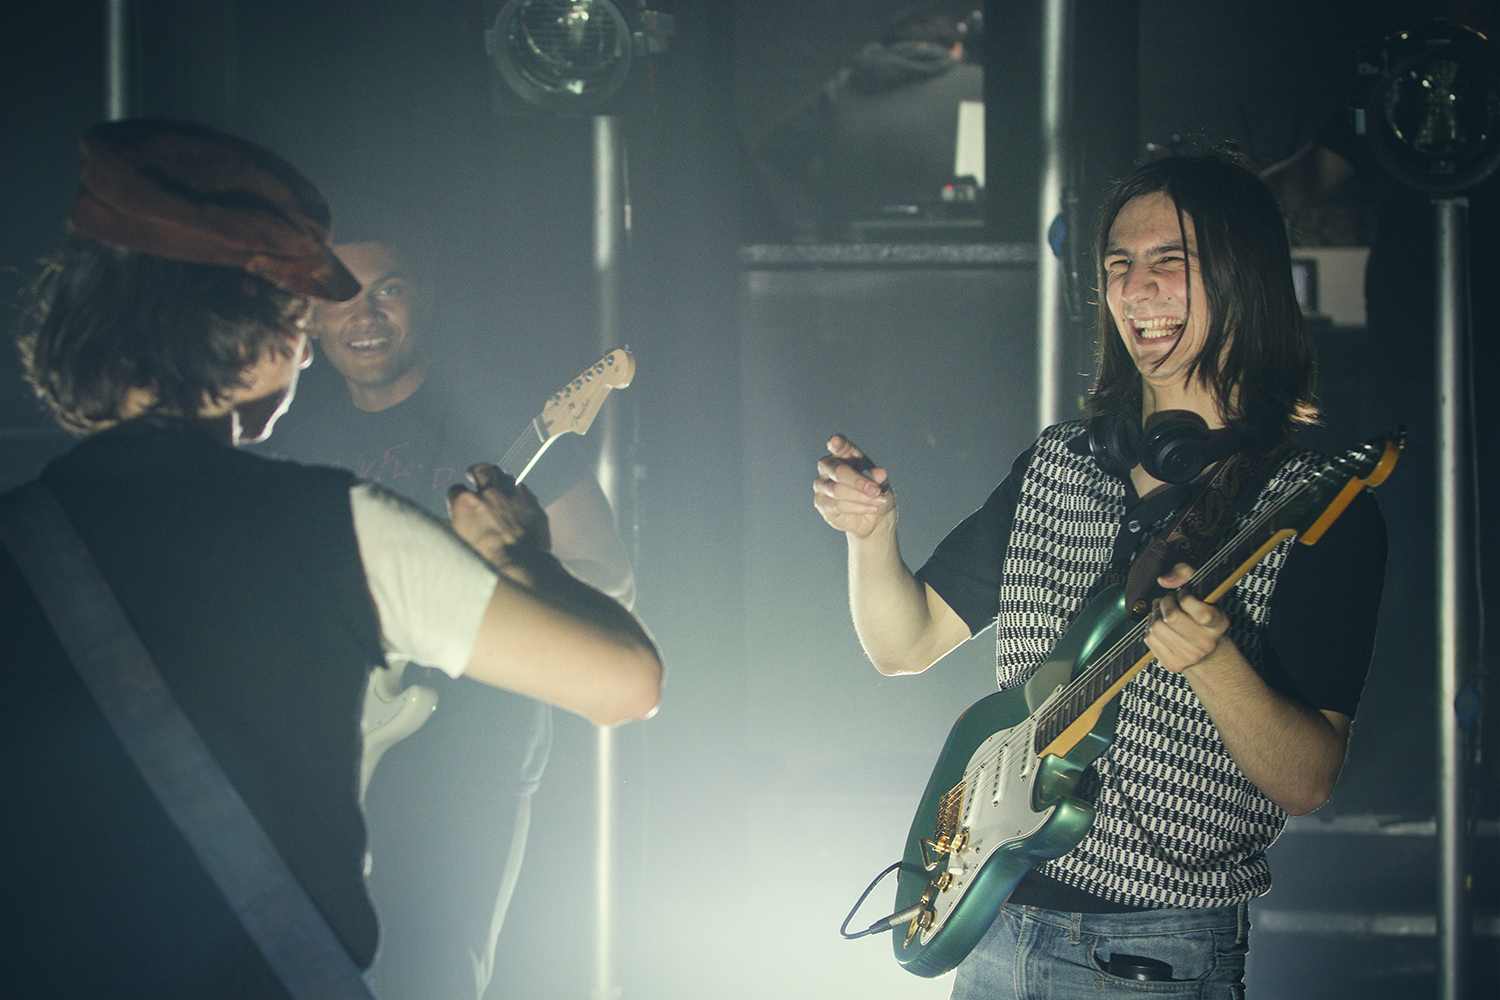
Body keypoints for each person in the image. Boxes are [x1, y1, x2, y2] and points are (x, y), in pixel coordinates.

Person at [0, 118, 660, 1000]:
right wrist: (518, 556)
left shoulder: (19, 539)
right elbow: (626, 681)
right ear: (262, 333)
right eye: (297, 309)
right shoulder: (340, 528)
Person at [813, 153, 1387, 997]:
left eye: (1170, 262)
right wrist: (871, 535)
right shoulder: (1058, 465)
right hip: (992, 924)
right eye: (1119, 266)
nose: (1136, 288)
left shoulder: (1315, 508)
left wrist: (1216, 663)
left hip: (1150, 952)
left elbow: (1307, 779)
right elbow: (906, 643)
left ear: (1246, 280)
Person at [262, 216, 634, 1000]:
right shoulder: (290, 440)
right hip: (330, 742)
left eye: (387, 291)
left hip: (470, 743)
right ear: (309, 316)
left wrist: (517, 558)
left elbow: (611, 583)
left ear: (422, 300)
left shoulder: (505, 429)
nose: (363, 315)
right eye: (339, 295)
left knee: (430, 969)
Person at [754, 1, 984, 242]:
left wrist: (832, 195)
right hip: (954, 244)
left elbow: (775, 148)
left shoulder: (842, 88)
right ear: (957, 48)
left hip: (853, 249)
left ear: (889, 46)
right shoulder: (978, 85)